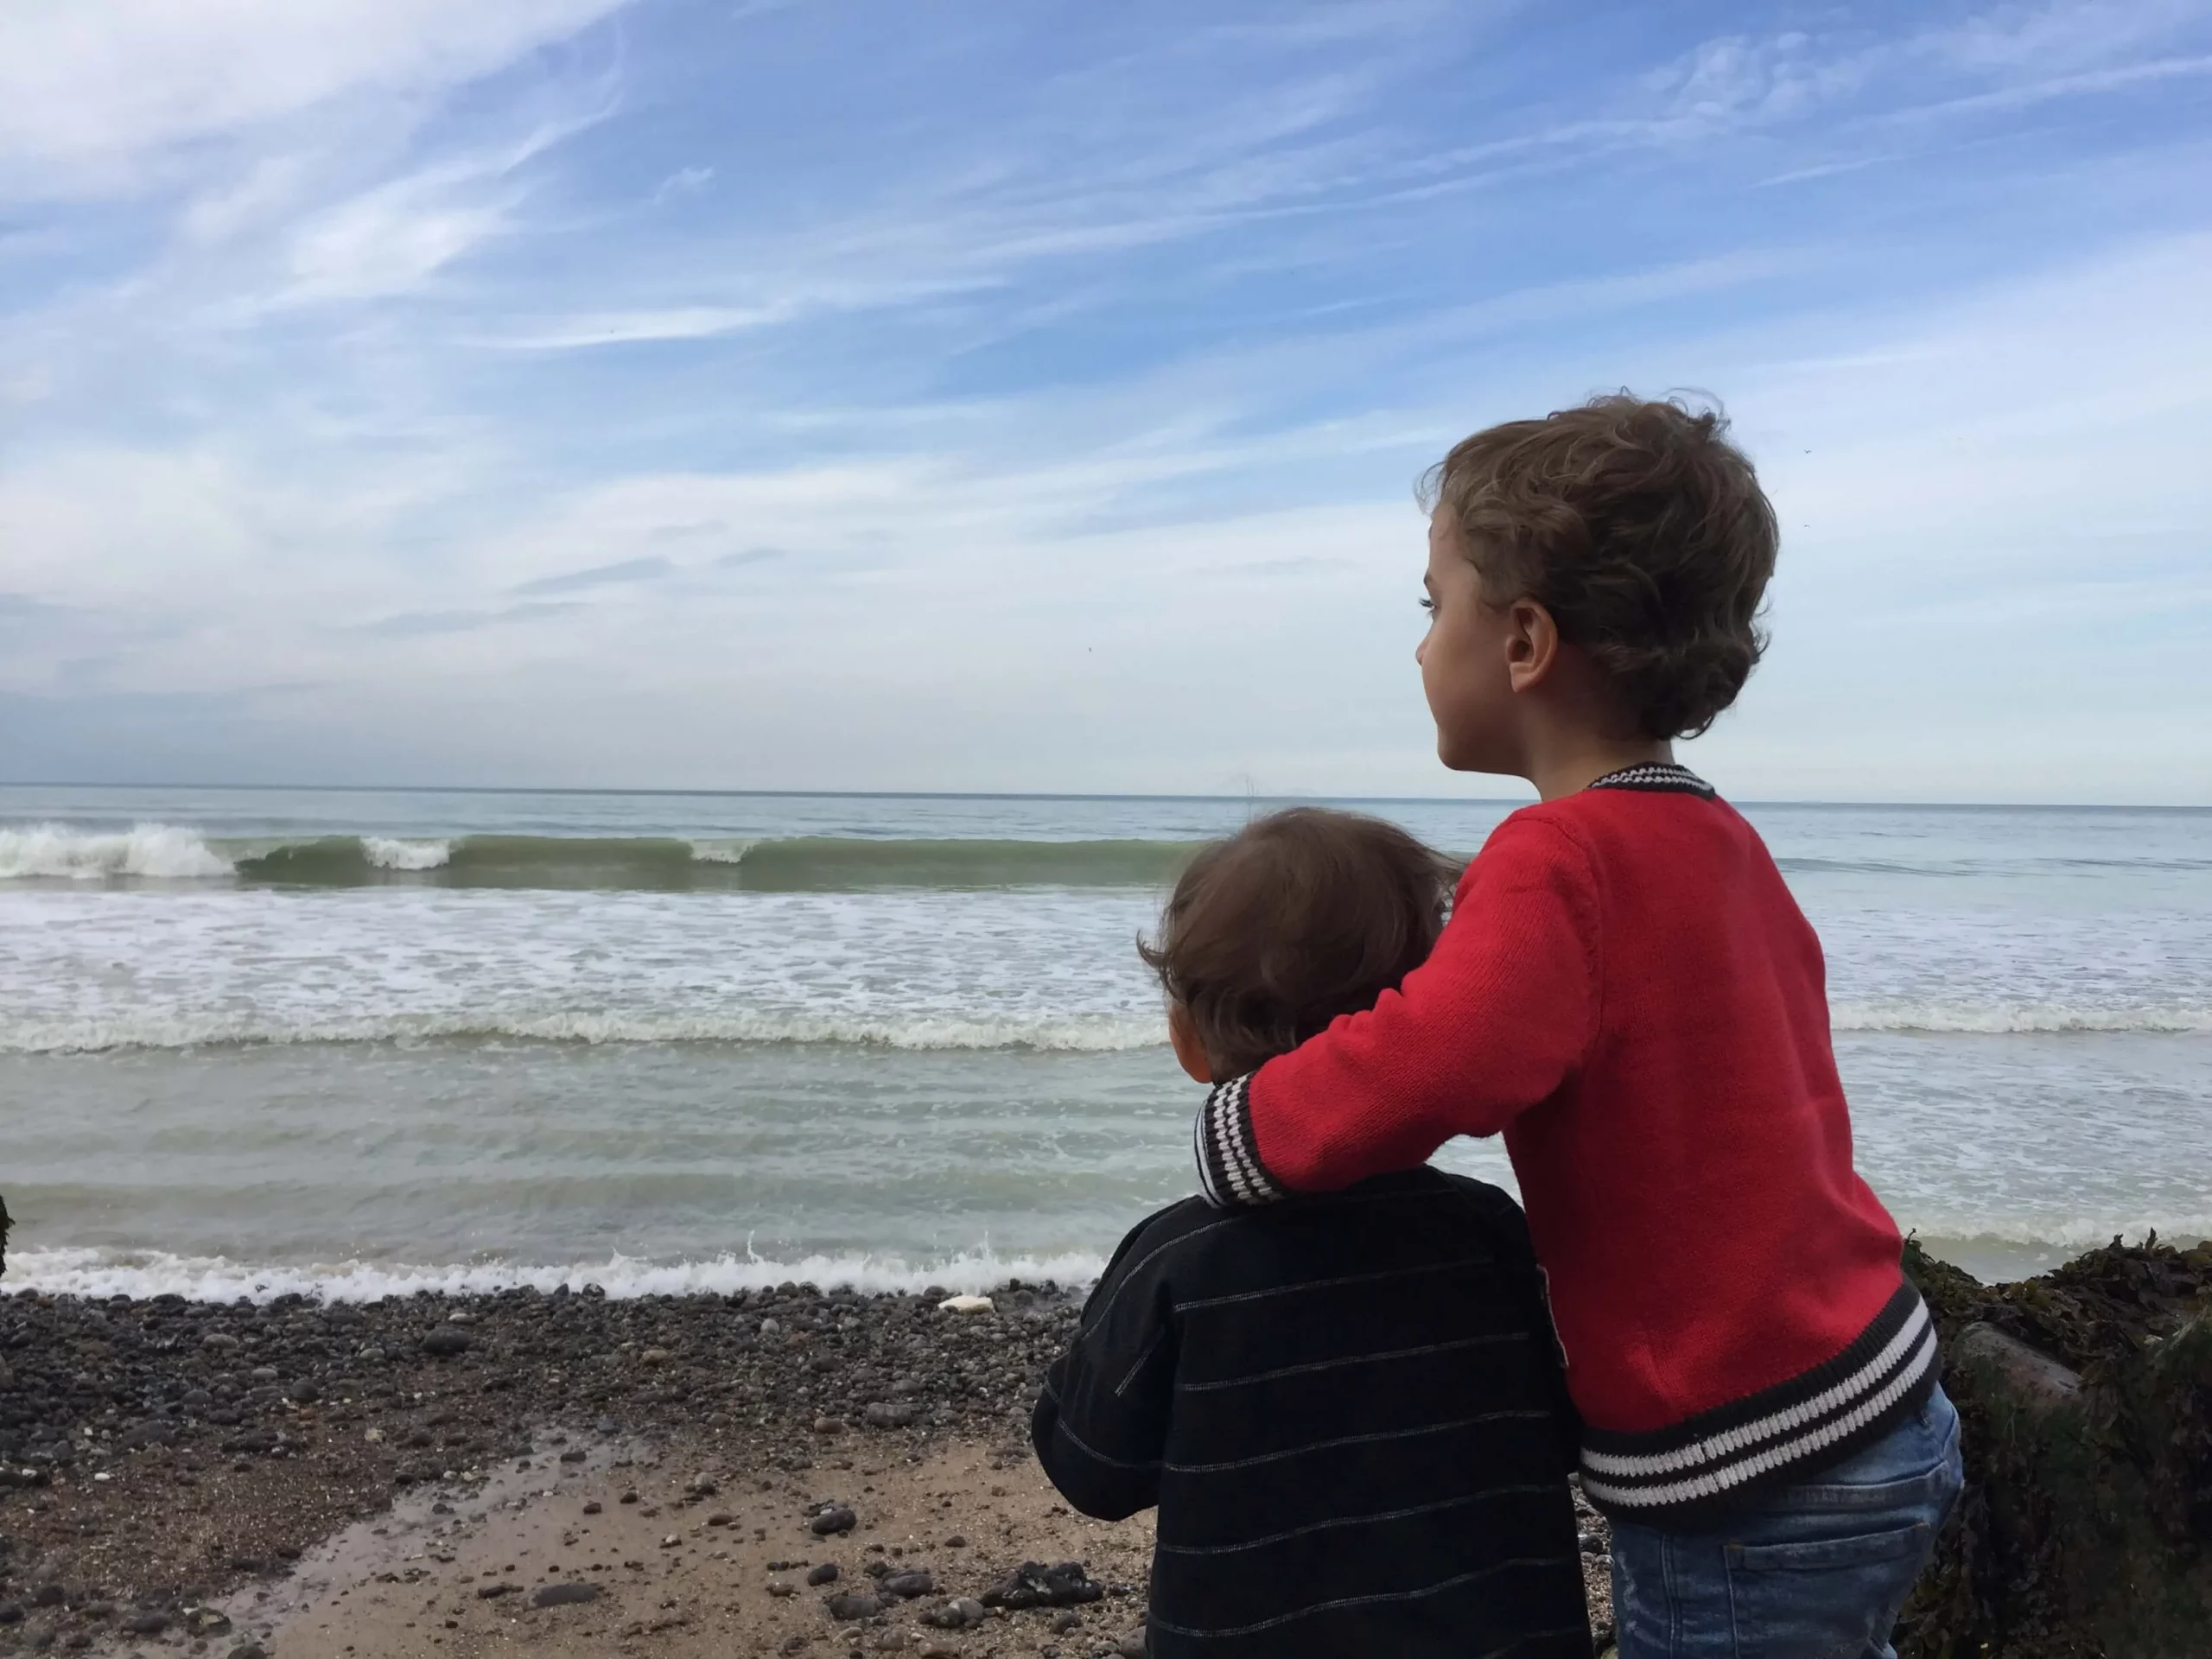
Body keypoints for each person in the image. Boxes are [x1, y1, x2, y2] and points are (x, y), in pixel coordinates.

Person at [1189, 397, 1963, 1659]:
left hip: (1751, 1464)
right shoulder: (1716, 837)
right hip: (1880, 1397)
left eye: (1432, 606)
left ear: (1526, 643)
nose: (1422, 644)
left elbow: (1446, 1052)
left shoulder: (1559, 855)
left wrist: (1246, 1128)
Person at [1033, 808, 1592, 1659]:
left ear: (1187, 1041)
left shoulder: (1179, 1261)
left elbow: (1092, 1470)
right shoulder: (1487, 1233)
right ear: (1428, 1019)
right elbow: (1562, 1430)